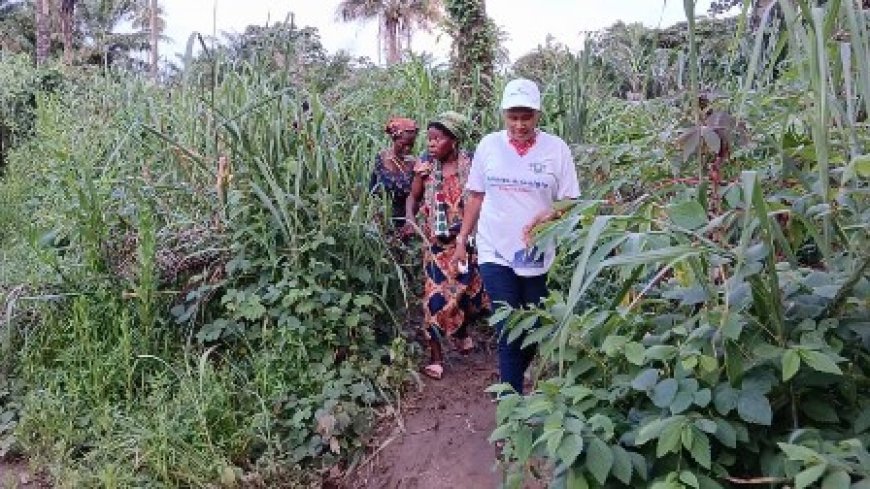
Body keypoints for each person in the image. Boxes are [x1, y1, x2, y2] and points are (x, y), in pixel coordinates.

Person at [452, 79, 580, 394]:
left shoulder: (556, 150)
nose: (519, 124)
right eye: (513, 116)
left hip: (535, 252)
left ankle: (513, 378)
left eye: (526, 116)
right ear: (503, 114)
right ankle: (510, 407)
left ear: (538, 114)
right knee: (508, 324)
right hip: (494, 248)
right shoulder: (489, 146)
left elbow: (571, 199)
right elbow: (476, 197)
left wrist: (549, 214)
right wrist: (461, 241)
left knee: (534, 325)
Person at [406, 111, 489, 380]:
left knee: (468, 296)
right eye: (429, 139)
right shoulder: (426, 166)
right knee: (435, 298)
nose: (430, 144)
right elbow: (414, 197)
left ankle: (462, 333)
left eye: (437, 139)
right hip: (437, 245)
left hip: (468, 242)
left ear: (454, 140)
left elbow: (482, 201)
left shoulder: (472, 166)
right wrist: (410, 219)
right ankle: (436, 358)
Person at [370, 117, 419, 238]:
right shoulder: (381, 159)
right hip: (382, 220)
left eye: (411, 145)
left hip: (406, 222)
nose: (407, 149)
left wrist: (410, 221)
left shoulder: (414, 164)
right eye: (403, 144)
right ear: (394, 139)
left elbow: (415, 196)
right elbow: (372, 190)